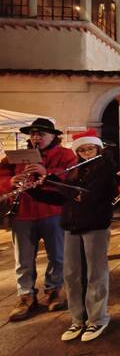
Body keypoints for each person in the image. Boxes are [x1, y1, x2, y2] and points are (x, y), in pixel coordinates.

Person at [0, 118, 76, 321]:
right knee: (23, 258)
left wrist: (48, 174)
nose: (36, 137)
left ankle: (54, 290)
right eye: (33, 134)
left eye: (41, 134)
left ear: (54, 136)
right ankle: (25, 296)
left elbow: (72, 178)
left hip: (53, 211)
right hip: (23, 213)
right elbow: (1, 176)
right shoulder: (16, 157)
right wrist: (11, 181)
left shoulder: (65, 154)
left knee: (57, 255)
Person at [49, 130, 116, 342]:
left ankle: (98, 318)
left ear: (98, 148)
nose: (87, 152)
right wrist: (35, 187)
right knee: (71, 274)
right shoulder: (74, 171)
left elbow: (86, 195)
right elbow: (63, 198)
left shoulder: (105, 169)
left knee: (96, 273)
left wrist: (54, 182)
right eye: (82, 150)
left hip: (95, 225)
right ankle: (78, 319)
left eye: (90, 148)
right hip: (71, 225)